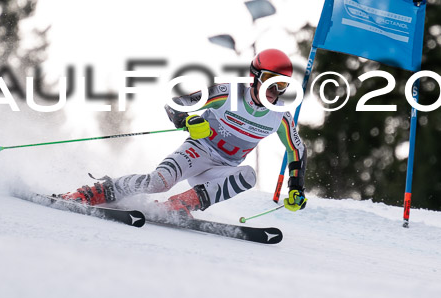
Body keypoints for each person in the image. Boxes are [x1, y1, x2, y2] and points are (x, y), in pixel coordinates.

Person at [58, 48, 308, 216]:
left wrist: (296, 186)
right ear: (255, 77)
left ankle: (178, 207)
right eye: (269, 80)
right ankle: (93, 192)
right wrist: (188, 121)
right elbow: (175, 104)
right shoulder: (228, 93)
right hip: (197, 152)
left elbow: (296, 149)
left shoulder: (281, 117)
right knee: (157, 182)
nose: (274, 90)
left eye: (282, 85)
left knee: (248, 176)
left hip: (222, 169)